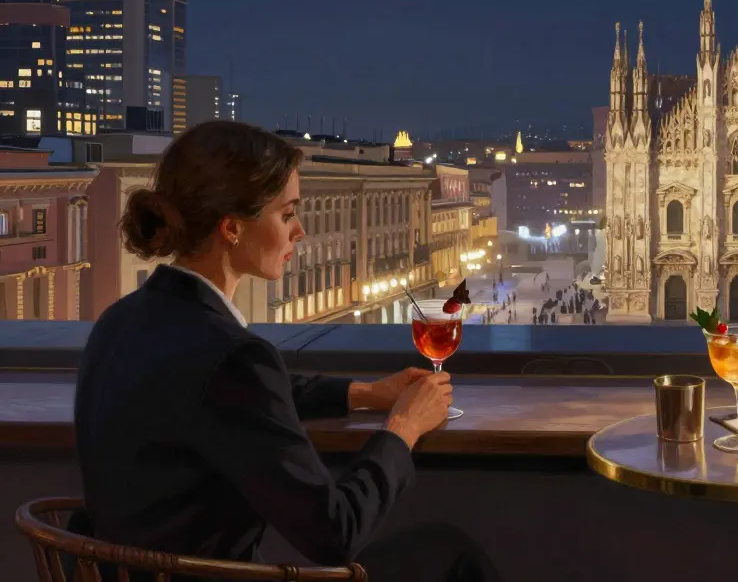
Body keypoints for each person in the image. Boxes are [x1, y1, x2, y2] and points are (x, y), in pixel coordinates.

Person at [74, 120, 500, 581]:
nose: (301, 231)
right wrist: (403, 429)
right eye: (288, 213)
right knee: (452, 554)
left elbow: (226, 396)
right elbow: (334, 532)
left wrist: (362, 393)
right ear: (232, 227)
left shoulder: (120, 323)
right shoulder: (230, 357)